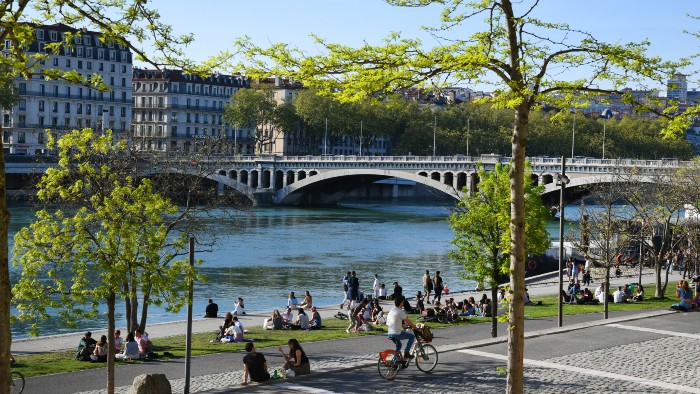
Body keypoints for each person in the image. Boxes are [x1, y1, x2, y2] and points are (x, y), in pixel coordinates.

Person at [386, 296, 417, 360]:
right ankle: (406, 353)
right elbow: (408, 322)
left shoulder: (392, 310)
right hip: (396, 333)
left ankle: (395, 361)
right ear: (400, 303)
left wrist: (403, 326)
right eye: (402, 302)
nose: (403, 304)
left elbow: (395, 321)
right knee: (412, 337)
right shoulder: (400, 311)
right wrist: (416, 328)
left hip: (390, 332)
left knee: (399, 345)